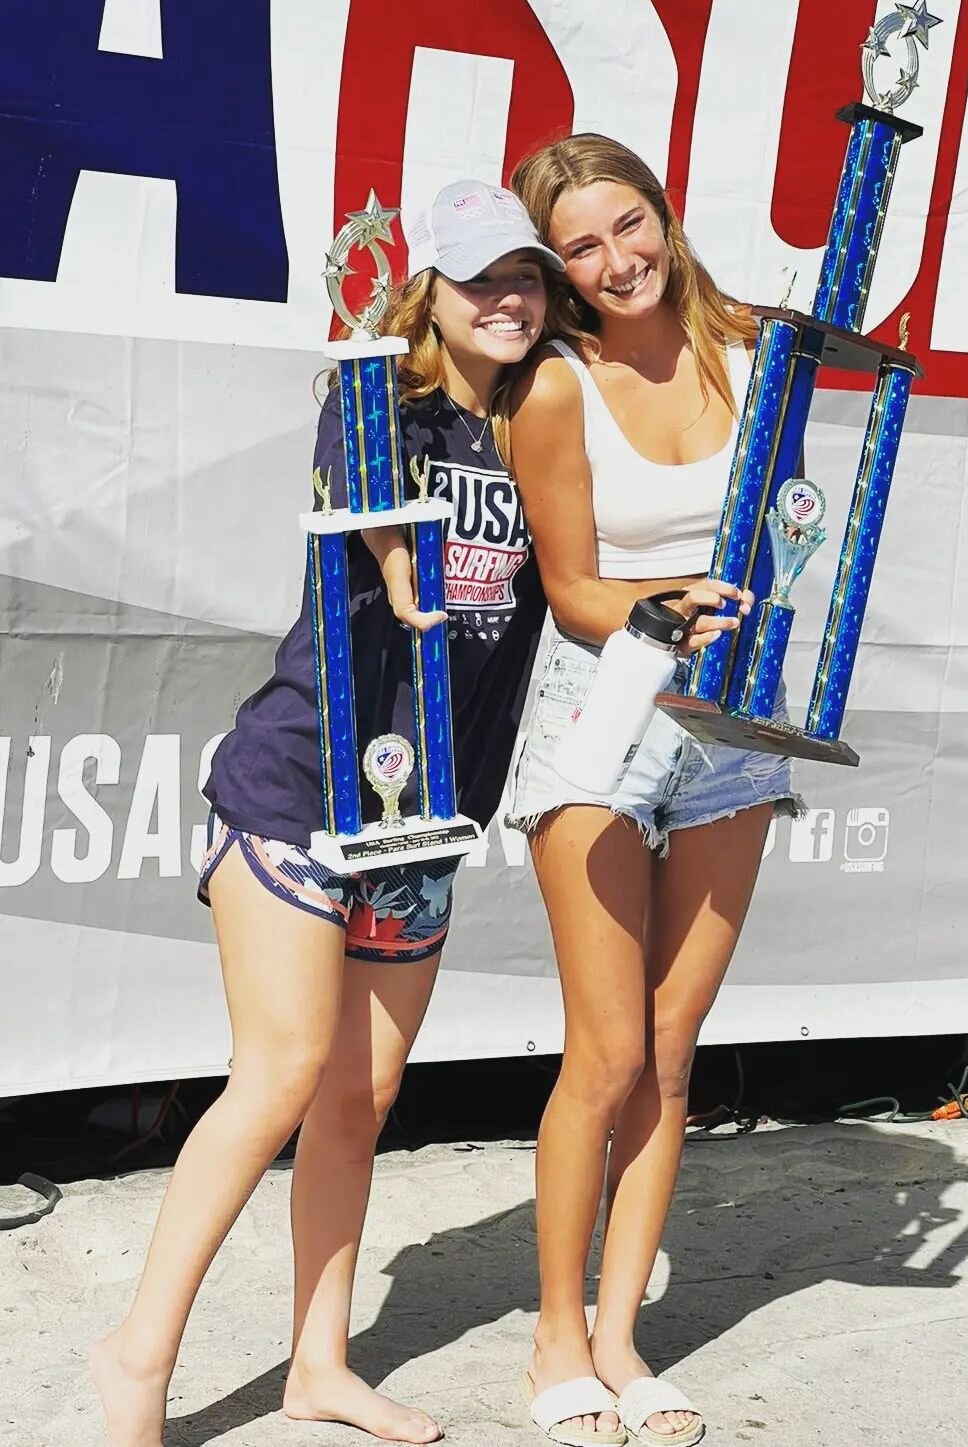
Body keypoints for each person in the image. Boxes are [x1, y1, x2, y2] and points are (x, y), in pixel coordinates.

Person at [90, 180, 562, 1447]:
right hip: (298, 793)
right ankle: (136, 1359)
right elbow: (362, 486)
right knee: (285, 1072)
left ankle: (319, 1366)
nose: (509, 300)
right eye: (481, 280)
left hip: (421, 820)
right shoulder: (378, 403)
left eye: (526, 276)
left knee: (360, 1097)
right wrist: (403, 566)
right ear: (431, 295)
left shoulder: (538, 429)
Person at [503, 135, 800, 1447]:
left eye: (631, 225)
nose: (618, 259)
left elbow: (788, 524)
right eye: (583, 244)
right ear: (556, 267)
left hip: (733, 731)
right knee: (609, 1050)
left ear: (665, 217)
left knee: (672, 1057)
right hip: (600, 720)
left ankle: (621, 1334)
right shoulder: (558, 388)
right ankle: (554, 1337)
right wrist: (667, 604)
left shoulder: (748, 350)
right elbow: (567, 586)